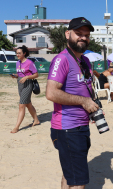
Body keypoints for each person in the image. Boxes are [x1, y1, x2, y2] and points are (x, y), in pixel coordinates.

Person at [46, 17, 100, 189]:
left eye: (86, 35)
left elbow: (84, 90)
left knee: (70, 174)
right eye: (79, 34)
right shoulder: (61, 59)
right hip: (67, 128)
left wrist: (92, 107)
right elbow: (51, 93)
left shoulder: (85, 61)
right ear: (68, 34)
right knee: (79, 182)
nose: (83, 38)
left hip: (80, 126)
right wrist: (84, 101)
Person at [10, 45, 40, 133]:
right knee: (28, 104)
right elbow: (19, 74)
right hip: (20, 84)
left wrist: (27, 77)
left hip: (28, 84)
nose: (17, 55)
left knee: (21, 105)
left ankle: (16, 127)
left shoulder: (29, 62)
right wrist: (15, 76)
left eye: (19, 53)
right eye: (16, 53)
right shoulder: (17, 63)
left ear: (24, 53)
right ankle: (36, 120)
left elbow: (36, 75)